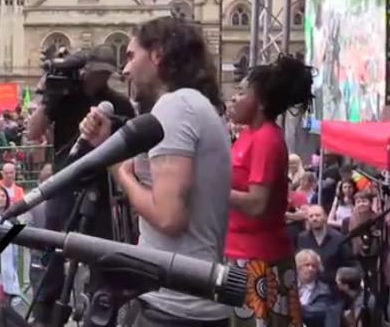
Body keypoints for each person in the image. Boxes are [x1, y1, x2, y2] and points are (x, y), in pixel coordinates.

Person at [79, 16, 230, 326]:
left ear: (158, 55)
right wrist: (108, 146)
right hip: (181, 299)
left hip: (175, 307)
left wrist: (119, 171)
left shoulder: (175, 107)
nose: (124, 69)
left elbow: (168, 217)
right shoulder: (191, 105)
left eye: (131, 56)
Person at [26, 44, 135, 326]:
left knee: (102, 262)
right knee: (51, 256)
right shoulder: (64, 96)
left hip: (102, 192)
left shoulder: (118, 104)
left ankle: (101, 313)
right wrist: (47, 97)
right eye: (95, 73)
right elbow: (33, 132)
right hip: (65, 186)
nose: (98, 80)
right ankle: (45, 314)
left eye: (104, 74)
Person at [224, 54, 313, 327]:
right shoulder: (248, 135)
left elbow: (257, 204)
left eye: (241, 92)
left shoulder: (266, 140)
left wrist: (210, 188)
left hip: (258, 262)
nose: (234, 98)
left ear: (260, 101)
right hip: (239, 253)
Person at [296, 205, 352, 289]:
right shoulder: (302, 238)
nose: (314, 218)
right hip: (308, 288)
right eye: (311, 216)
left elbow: (350, 263)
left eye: (318, 215)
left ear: (325, 217)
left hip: (333, 288)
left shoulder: (339, 238)